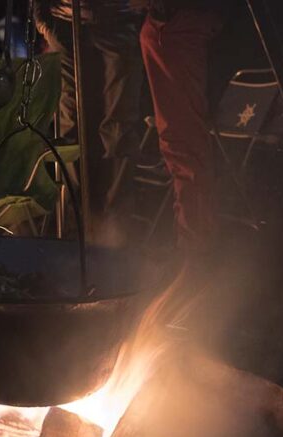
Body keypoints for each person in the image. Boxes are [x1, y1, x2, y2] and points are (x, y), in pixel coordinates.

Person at [34, 0, 144, 227]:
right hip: (64, 22)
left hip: (118, 22)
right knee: (73, 124)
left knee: (118, 125)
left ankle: (114, 227)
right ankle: (77, 224)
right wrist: (42, 20)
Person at [132, 0, 229, 254]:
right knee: (177, 142)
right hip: (164, 23)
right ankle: (190, 247)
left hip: (182, 22)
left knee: (183, 144)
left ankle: (194, 253)